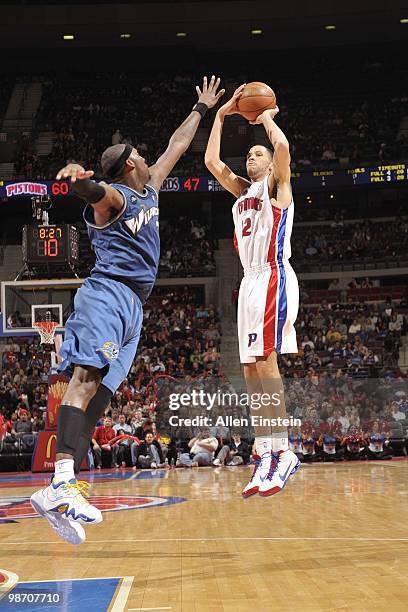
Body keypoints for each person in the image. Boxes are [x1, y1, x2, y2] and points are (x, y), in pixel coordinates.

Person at [30, 75, 225, 545]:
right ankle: (61, 481)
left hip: (134, 307)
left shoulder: (151, 186)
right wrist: (79, 180)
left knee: (100, 398)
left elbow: (178, 145)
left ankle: (57, 488)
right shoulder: (114, 198)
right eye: (138, 152)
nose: (146, 154)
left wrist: (201, 108)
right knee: (83, 380)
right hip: (107, 294)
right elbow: (93, 195)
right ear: (130, 163)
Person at [205, 86, 300, 498]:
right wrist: (222, 116)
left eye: (256, 154)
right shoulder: (243, 193)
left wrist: (264, 117)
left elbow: (283, 147)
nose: (251, 157)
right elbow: (212, 161)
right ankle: (265, 450)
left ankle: (283, 450)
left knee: (265, 363)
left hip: (273, 276)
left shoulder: (278, 188)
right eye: (249, 155)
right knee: (249, 371)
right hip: (248, 282)